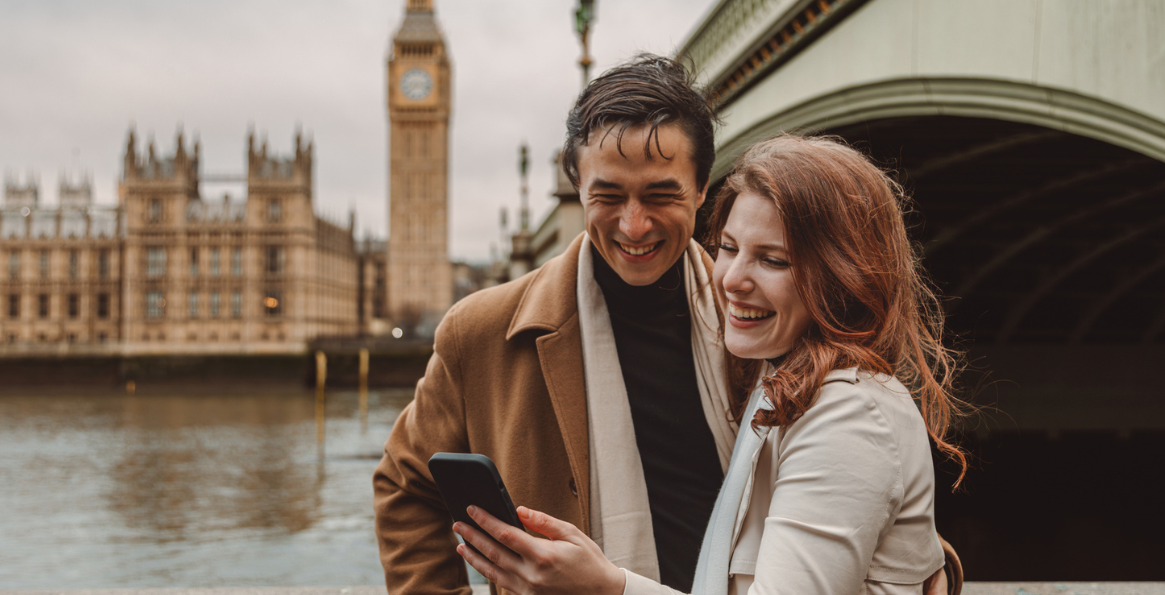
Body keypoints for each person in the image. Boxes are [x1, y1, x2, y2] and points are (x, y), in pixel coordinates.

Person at [373, 56, 956, 594]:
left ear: (702, 188)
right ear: (577, 188)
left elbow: (845, 485)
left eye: (660, 194)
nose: (633, 225)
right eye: (607, 195)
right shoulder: (484, 333)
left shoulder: (764, 325)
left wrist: (914, 558)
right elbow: (406, 488)